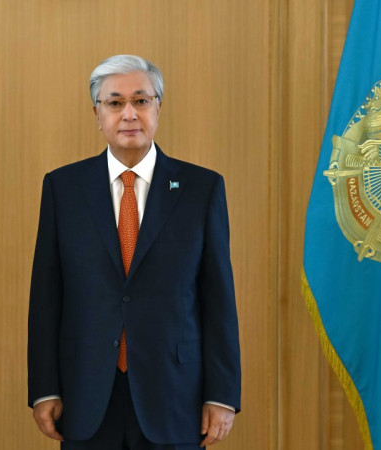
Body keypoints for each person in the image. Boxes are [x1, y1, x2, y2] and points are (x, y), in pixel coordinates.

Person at [27, 54, 240, 450]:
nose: (129, 114)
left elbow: (218, 298)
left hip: (176, 395)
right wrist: (44, 389)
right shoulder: (63, 188)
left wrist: (221, 394)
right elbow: (46, 297)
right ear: (97, 113)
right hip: (86, 394)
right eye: (115, 102)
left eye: (141, 101)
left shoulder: (201, 188)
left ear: (158, 107)